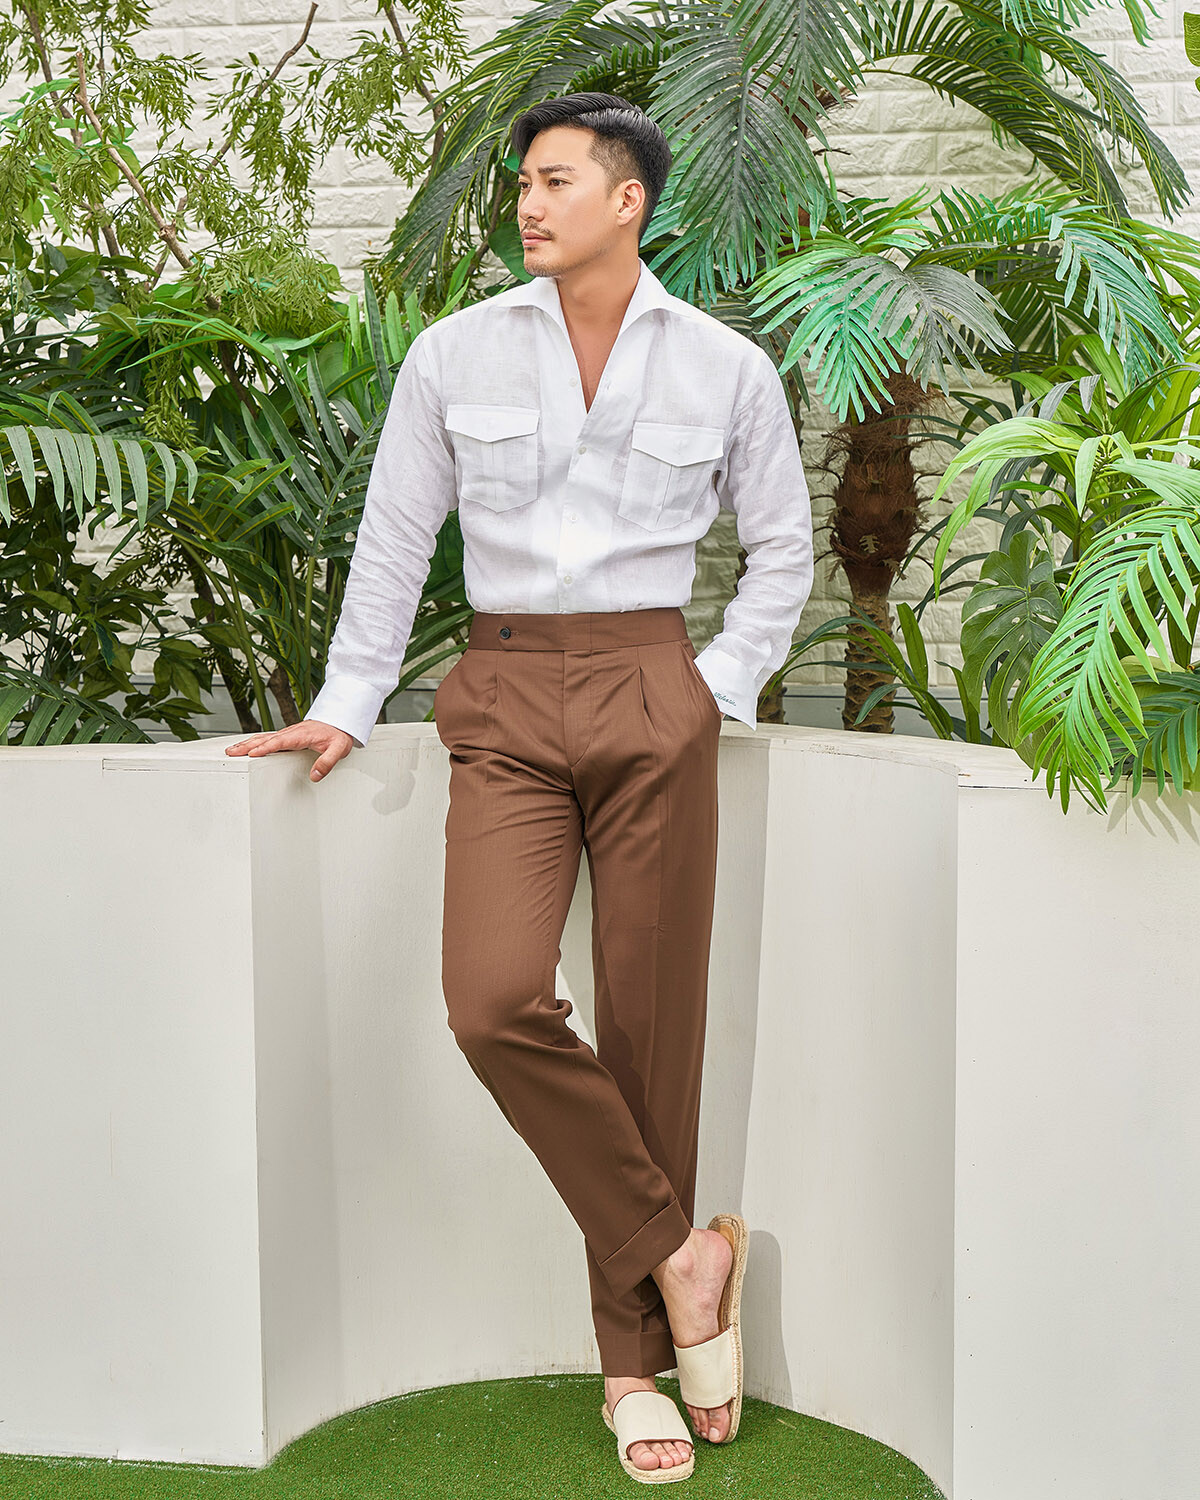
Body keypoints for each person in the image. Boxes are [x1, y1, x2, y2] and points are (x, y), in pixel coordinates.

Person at [225, 91, 813, 1482]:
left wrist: (709, 691)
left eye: (554, 182)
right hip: (501, 696)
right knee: (492, 999)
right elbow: (394, 536)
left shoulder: (725, 367)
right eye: (524, 185)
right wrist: (346, 701)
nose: (528, 206)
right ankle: (683, 1256)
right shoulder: (456, 353)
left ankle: (630, 1372)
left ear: (628, 199)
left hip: (655, 687)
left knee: (653, 1032)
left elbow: (782, 552)